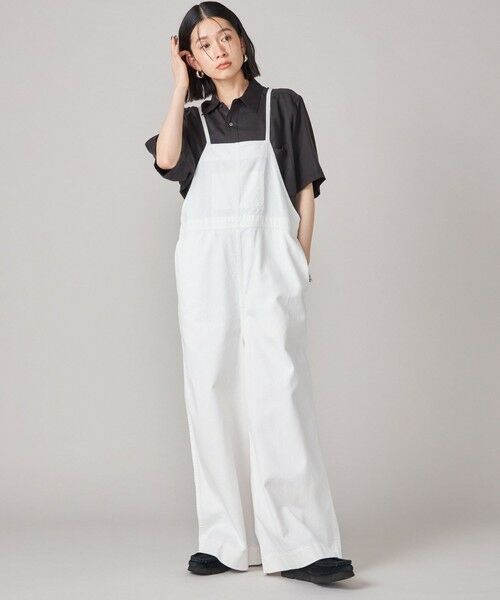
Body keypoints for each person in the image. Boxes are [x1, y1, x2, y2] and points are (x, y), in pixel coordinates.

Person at [145, 2, 355, 585]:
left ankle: (303, 545)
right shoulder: (193, 121)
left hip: (269, 259)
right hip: (206, 267)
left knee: (279, 390)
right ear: (192, 58)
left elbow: (305, 185)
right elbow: (166, 160)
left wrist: (299, 257)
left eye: (225, 36)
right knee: (210, 388)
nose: (218, 49)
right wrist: (179, 87)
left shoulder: (282, 105)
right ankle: (224, 539)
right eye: (203, 44)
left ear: (242, 42)